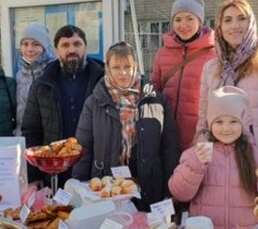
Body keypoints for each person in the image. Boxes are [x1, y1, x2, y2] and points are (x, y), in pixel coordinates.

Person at [73, 42, 180, 212]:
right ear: (107, 68)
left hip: (149, 185)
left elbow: (170, 147)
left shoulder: (155, 99)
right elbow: (83, 148)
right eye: (116, 67)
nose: (122, 73)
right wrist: (78, 185)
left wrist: (172, 188)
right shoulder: (94, 102)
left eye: (127, 66)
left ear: (135, 66)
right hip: (107, 188)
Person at [197, 0, 258, 176]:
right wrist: (200, 164)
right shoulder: (211, 68)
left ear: (251, 23)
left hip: (255, 164)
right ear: (219, 26)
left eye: (241, 18)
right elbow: (203, 121)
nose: (234, 26)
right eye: (228, 20)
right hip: (217, 165)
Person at [170, 86, 258, 229]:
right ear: (210, 124)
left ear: (244, 123)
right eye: (219, 121)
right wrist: (195, 167)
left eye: (233, 121)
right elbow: (179, 193)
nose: (226, 128)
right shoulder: (195, 154)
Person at [22, 25, 104, 184]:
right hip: (56, 171)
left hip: (96, 168)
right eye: (65, 45)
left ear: (85, 47)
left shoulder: (103, 80)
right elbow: (31, 131)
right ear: (56, 50)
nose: (72, 50)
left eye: (77, 44)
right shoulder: (43, 85)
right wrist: (34, 176)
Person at [150, 0, 216, 151]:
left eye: (189, 19)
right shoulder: (162, 53)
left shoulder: (213, 54)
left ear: (199, 21)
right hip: (166, 131)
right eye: (178, 19)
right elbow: (155, 88)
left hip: (198, 134)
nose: (183, 25)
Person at [15, 23, 56, 135]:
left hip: (46, 139)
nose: (30, 49)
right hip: (23, 136)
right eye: (25, 44)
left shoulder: (53, 72)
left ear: (44, 47)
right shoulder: (20, 75)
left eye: (36, 44)